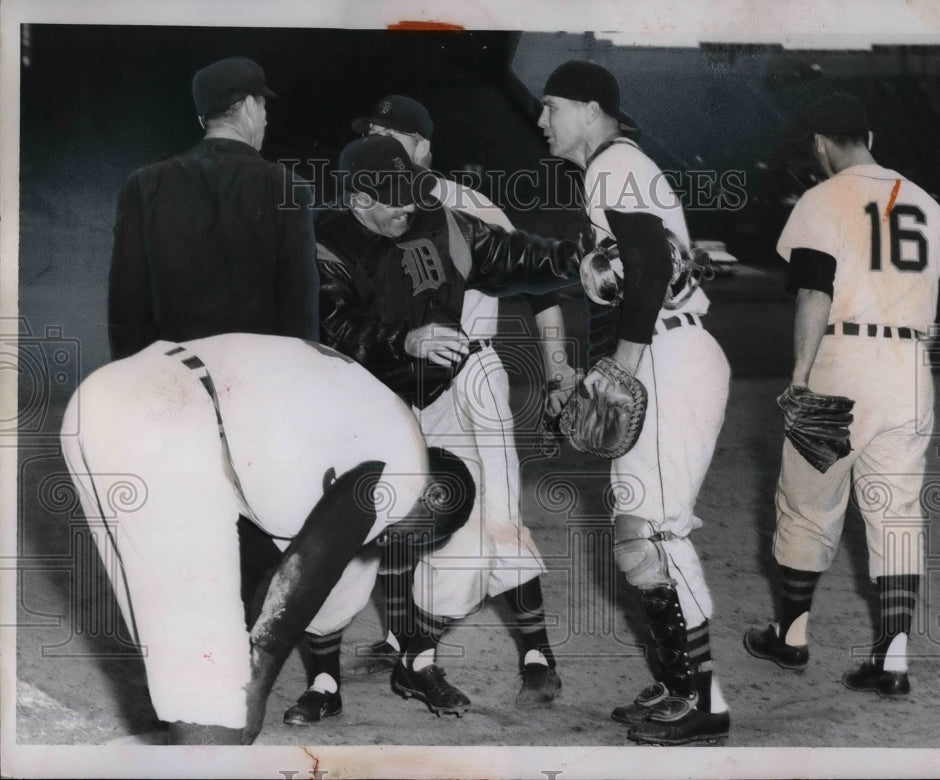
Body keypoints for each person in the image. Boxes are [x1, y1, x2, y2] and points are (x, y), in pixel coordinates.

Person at [280, 96, 574, 727]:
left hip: (451, 383)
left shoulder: (446, 212)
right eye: (394, 198)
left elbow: (519, 260)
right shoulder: (323, 241)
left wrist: (579, 261)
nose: (409, 206)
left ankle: (427, 656)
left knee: (475, 525)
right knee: (348, 538)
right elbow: (336, 330)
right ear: (359, 196)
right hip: (359, 407)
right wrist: (405, 341)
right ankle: (330, 677)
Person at [59, 332, 475, 744]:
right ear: (436, 496)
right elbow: (311, 564)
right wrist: (255, 682)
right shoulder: (405, 471)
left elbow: (265, 570)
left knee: (179, 657)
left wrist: (239, 651)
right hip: (169, 415)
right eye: (414, 537)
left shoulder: (362, 430)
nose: (386, 542)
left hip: (108, 399)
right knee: (217, 705)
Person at [537, 60, 732, 745]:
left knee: (654, 532)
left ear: (591, 110)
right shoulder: (613, 169)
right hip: (664, 352)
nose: (541, 120)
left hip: (669, 355)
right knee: (634, 531)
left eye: (552, 106)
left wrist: (621, 365)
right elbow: (630, 276)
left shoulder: (614, 163)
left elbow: (647, 263)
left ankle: (705, 699)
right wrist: (584, 371)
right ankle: (679, 680)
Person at [743, 93, 940, 697]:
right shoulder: (926, 202)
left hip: (842, 360)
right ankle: (893, 660)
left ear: (820, 145)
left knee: (808, 503)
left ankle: (790, 638)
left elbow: (814, 291)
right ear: (869, 137)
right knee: (898, 513)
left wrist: (800, 376)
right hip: (909, 368)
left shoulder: (822, 199)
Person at [107, 56, 318, 360]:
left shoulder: (143, 184)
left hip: (171, 375)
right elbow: (299, 310)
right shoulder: (288, 187)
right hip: (257, 375)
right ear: (249, 107)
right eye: (263, 107)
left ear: (201, 119)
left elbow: (126, 306)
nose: (265, 119)